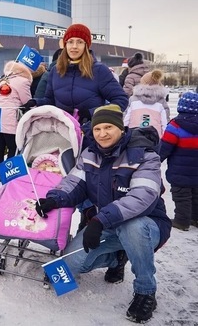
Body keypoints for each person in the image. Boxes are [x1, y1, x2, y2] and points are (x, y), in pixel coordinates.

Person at [35, 104, 171, 323]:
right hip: (106, 224)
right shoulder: (90, 154)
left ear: (121, 128)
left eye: (109, 127)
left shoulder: (145, 156)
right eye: (97, 129)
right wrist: (54, 198)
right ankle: (117, 259)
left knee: (132, 227)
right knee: (71, 265)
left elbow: (142, 197)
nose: (102, 133)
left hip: (146, 225)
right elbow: (74, 183)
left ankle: (146, 291)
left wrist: (99, 220)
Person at [27, 24, 128, 126]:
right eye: (70, 42)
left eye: (79, 42)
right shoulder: (55, 71)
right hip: (63, 132)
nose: (74, 46)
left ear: (86, 45)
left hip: (91, 133)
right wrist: (35, 103)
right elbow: (50, 101)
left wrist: (93, 113)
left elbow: (121, 100)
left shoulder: (99, 70)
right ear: (65, 44)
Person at [160, 91, 198, 231]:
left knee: (182, 196)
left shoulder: (175, 126)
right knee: (196, 195)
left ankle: (182, 221)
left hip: (180, 171)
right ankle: (195, 218)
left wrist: (155, 160)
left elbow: (164, 148)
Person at [0, 60, 32, 170]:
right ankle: (9, 171)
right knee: (13, 146)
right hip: (11, 117)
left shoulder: (4, 81)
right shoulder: (23, 81)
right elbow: (26, 101)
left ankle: (0, 170)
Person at [124, 69, 169, 137]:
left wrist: (124, 133)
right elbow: (165, 122)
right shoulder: (161, 102)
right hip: (155, 138)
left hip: (134, 137)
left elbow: (126, 119)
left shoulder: (133, 100)